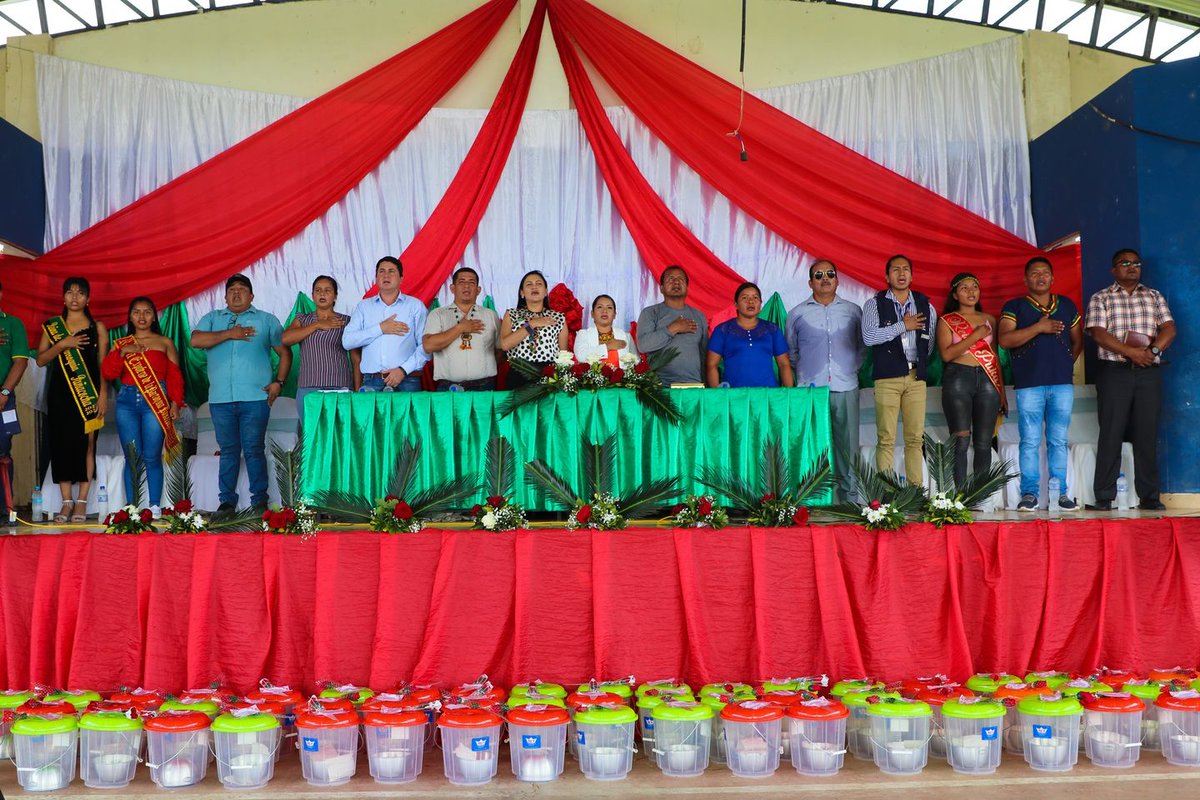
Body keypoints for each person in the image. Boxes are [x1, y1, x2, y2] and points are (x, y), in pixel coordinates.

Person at [1085, 248, 1176, 511]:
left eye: (1136, 263)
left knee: (1147, 433)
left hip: (1148, 373)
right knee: (1111, 433)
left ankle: (1149, 497)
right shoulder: (1101, 297)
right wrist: (1132, 352)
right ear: (1114, 269)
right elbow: (1098, 334)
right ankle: (1104, 496)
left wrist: (1152, 352)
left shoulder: (1154, 296)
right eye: (1125, 263)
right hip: (1114, 372)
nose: (1132, 266)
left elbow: (1169, 328)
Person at [191, 274, 290, 514]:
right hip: (221, 399)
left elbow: (285, 353)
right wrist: (229, 333)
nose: (236, 293)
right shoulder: (213, 318)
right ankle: (227, 502)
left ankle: (259, 502)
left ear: (251, 295)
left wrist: (279, 383)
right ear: (225, 296)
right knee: (228, 451)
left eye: (242, 289)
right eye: (232, 290)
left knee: (254, 449)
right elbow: (196, 340)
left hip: (255, 398)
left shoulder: (266, 320)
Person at [998, 257, 1082, 512]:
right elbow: (1005, 340)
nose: (1040, 277)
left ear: (1053, 278)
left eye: (1045, 272)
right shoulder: (1015, 306)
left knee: (1058, 440)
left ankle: (1061, 493)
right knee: (1030, 441)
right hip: (1029, 384)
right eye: (1034, 273)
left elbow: (1077, 341)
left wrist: (1064, 364)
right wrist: (1039, 327)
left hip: (1061, 384)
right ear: (1026, 280)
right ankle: (1029, 494)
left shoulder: (1066, 304)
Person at [786, 260, 865, 503]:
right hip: (811, 390)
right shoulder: (797, 313)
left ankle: (849, 501)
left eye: (830, 274)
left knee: (848, 447)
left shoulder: (853, 311)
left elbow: (862, 348)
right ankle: (812, 501)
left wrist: (849, 369)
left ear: (838, 280)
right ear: (810, 283)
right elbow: (791, 352)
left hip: (846, 386)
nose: (825, 278)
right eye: (818, 275)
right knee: (813, 445)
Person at [101, 296, 185, 513]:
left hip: (154, 402)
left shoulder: (165, 342)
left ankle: (154, 505)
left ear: (154, 317)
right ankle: (132, 507)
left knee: (152, 455)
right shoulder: (121, 343)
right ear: (130, 316)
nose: (142, 316)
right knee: (132, 457)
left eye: (147, 312)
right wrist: (123, 352)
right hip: (126, 403)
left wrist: (175, 403)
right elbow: (108, 373)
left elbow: (175, 376)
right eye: (136, 312)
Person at [35, 277, 108, 524]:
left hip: (89, 395)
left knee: (87, 445)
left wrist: (103, 395)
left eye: (80, 293)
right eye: (69, 292)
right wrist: (63, 344)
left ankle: (82, 501)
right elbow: (41, 360)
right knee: (61, 444)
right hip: (59, 394)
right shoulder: (52, 327)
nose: (74, 297)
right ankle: (66, 502)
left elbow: (104, 364)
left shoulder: (97, 327)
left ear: (88, 298)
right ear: (63, 297)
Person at [861, 254, 937, 485]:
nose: (901, 273)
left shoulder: (926, 305)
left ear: (912, 276)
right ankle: (886, 494)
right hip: (887, 378)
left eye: (905, 269)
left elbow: (928, 345)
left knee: (915, 439)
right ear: (887, 277)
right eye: (895, 269)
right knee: (886, 439)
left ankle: (915, 493)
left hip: (916, 378)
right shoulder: (874, 304)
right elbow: (869, 337)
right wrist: (903, 325)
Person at [937, 273, 1004, 491]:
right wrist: (975, 336)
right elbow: (947, 355)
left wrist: (1002, 392)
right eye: (964, 288)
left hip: (987, 379)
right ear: (955, 295)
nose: (971, 291)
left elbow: (994, 357)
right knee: (961, 441)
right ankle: (960, 495)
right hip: (958, 378)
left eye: (974, 287)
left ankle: (980, 495)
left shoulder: (990, 319)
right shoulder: (947, 320)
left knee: (984, 442)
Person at [283, 275, 360, 428]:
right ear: (312, 295)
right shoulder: (303, 320)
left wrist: (357, 391)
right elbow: (285, 339)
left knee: (338, 435)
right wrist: (317, 325)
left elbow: (356, 360)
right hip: (308, 388)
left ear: (335, 296)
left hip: (339, 387)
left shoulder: (346, 321)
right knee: (312, 435)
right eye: (318, 290)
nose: (322, 294)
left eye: (327, 290)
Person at [343, 257, 428, 392]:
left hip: (407, 380)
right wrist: (380, 328)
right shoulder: (364, 307)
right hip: (372, 381)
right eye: (381, 271)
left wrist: (403, 370)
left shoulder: (415, 306)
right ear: (376, 278)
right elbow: (347, 341)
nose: (386, 275)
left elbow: (426, 346)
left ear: (401, 278)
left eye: (391, 271)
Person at [422, 267, 500, 390]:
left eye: (471, 282)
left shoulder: (491, 315)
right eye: (462, 282)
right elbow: (428, 346)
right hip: (449, 388)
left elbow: (500, 350)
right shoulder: (438, 314)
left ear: (478, 290)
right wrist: (460, 328)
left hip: (484, 387)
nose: (467, 286)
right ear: (452, 288)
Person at [708, 282, 793, 389]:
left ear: (760, 304)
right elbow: (712, 365)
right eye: (745, 298)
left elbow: (784, 364)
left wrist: (790, 394)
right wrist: (716, 394)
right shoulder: (722, 330)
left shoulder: (772, 329)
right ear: (736, 305)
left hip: (768, 394)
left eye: (755, 298)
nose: (751, 301)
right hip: (733, 394)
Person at [635, 265, 709, 386]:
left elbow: (704, 354)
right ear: (661, 288)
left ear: (687, 287)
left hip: (693, 385)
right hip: (660, 387)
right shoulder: (650, 313)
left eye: (680, 279)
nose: (676, 282)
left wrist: (706, 385)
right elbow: (643, 345)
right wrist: (673, 328)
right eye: (670, 279)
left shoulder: (698, 316)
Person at [499, 270, 568, 390]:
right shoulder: (512, 314)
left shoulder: (558, 317)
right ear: (522, 293)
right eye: (529, 284)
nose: (534, 287)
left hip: (549, 374)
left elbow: (564, 355)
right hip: (519, 373)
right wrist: (532, 324)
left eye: (539, 283)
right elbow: (505, 345)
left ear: (546, 291)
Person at [0, 280, 30, 523]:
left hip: (3, 398)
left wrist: (4, 393)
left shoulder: (12, 324)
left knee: (2, 453)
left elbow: (20, 361)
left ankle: (4, 510)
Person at [574, 294, 639, 365]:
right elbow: (581, 356)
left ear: (614, 314)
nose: (604, 311)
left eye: (609, 308)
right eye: (600, 307)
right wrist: (608, 346)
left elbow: (636, 361)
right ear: (592, 313)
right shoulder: (583, 335)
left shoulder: (626, 336)